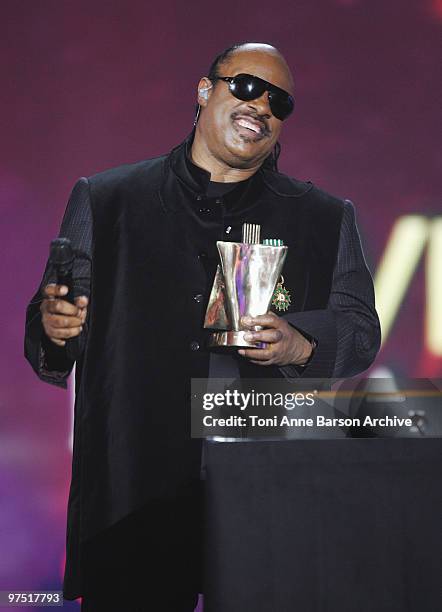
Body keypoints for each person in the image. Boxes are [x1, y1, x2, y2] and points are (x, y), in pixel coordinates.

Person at [24, 42, 381, 611]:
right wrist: (55, 326)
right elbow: (52, 334)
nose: (261, 104)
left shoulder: (324, 216)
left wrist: (302, 340)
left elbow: (360, 328)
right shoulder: (109, 199)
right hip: (134, 490)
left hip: (265, 493)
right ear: (204, 90)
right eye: (245, 86)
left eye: (278, 99)